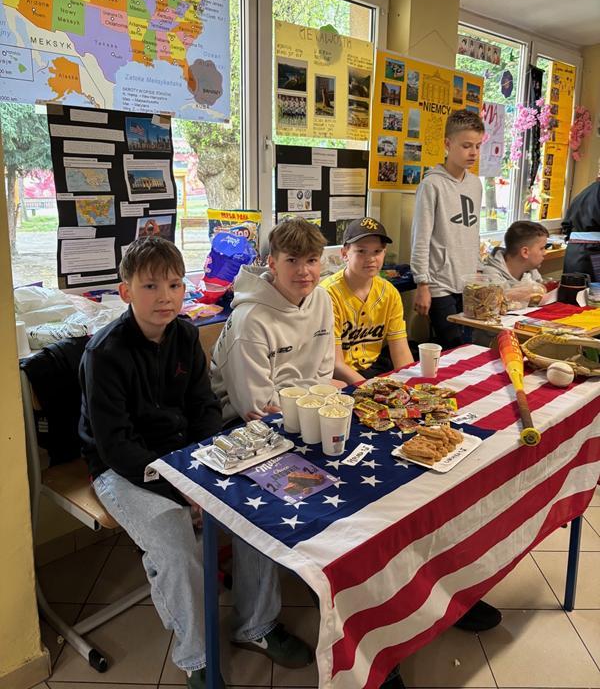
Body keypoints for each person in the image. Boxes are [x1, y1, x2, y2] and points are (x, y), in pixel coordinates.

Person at [79, 237, 311, 689]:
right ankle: (196, 656)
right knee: (174, 542)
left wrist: (207, 467)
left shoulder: (184, 334)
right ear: (126, 292)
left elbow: (203, 407)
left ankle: (256, 626)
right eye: (150, 286)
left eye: (173, 285)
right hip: (121, 467)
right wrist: (184, 489)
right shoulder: (104, 354)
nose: (165, 297)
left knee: (254, 511)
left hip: (183, 454)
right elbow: (116, 447)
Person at [210, 217, 335, 424]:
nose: (304, 271)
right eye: (292, 260)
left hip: (302, 408)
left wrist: (308, 401)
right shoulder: (250, 319)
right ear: (272, 264)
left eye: (312, 260)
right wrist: (313, 399)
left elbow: (325, 370)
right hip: (240, 421)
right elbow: (256, 406)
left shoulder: (322, 299)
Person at [411, 108, 484, 350]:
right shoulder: (431, 185)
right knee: (452, 345)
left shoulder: (475, 184)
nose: (473, 153)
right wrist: (422, 284)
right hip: (439, 284)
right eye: (466, 146)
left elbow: (474, 231)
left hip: (468, 282)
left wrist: (478, 270)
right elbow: (421, 238)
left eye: (478, 146)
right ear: (447, 144)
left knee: (469, 346)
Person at [321, 217, 412, 384]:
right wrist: (370, 390)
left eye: (377, 251)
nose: (371, 258)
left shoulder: (389, 293)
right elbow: (336, 364)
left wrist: (409, 385)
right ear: (344, 254)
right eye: (361, 251)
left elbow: (400, 350)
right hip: (337, 378)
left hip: (374, 370)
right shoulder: (328, 294)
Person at [482, 221, 548, 303]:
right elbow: (499, 301)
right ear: (525, 252)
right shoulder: (490, 273)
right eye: (541, 248)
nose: (545, 253)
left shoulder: (531, 269)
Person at [562, 177, 600, 277]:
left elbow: (566, 225)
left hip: (574, 250)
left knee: (573, 284)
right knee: (592, 286)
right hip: (594, 251)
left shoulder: (584, 192)